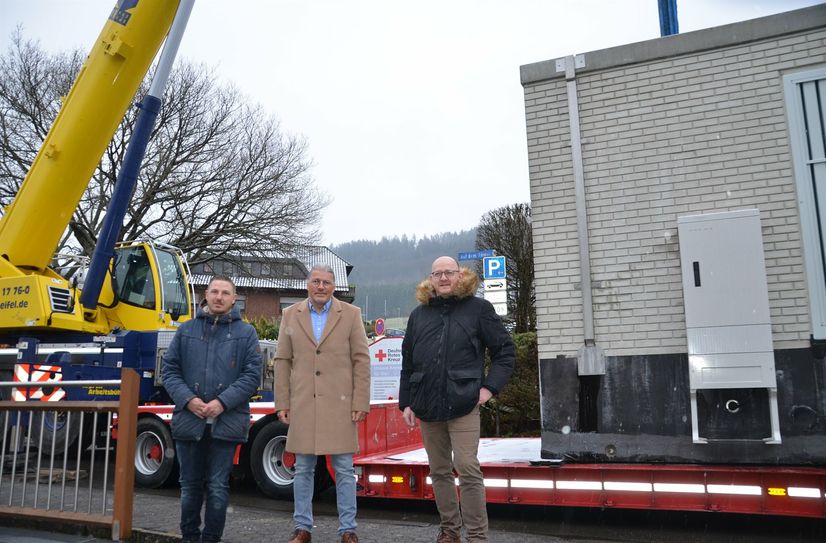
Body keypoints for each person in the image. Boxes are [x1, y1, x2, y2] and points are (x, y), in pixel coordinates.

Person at [399, 256, 515, 543]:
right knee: (438, 471)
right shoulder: (418, 315)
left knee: (467, 468)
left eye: (449, 272)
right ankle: (450, 531)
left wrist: (489, 388)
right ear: (431, 278)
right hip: (427, 405)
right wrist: (407, 402)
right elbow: (408, 363)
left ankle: (477, 536)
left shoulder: (479, 309)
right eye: (437, 273)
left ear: (460, 276)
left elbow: (505, 352)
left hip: (464, 404)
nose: (443, 278)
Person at [275, 263, 371, 543]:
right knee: (303, 469)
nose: (320, 287)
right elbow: (282, 360)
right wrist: (282, 401)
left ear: (333, 286)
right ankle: (302, 528)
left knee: (343, 470)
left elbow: (361, 360)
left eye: (326, 282)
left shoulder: (351, 315)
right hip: (303, 405)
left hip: (341, 407)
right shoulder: (290, 315)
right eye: (316, 281)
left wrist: (360, 400)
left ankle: (348, 530)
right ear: (308, 284)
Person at [162, 275, 262, 543]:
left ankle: (211, 539)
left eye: (225, 292)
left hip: (226, 422)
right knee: (189, 488)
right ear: (205, 295)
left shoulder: (246, 333)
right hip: (189, 420)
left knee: (218, 488)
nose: (219, 297)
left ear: (234, 298)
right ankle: (189, 538)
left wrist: (222, 403)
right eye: (215, 291)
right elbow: (169, 371)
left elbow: (252, 375)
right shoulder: (186, 330)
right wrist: (188, 400)